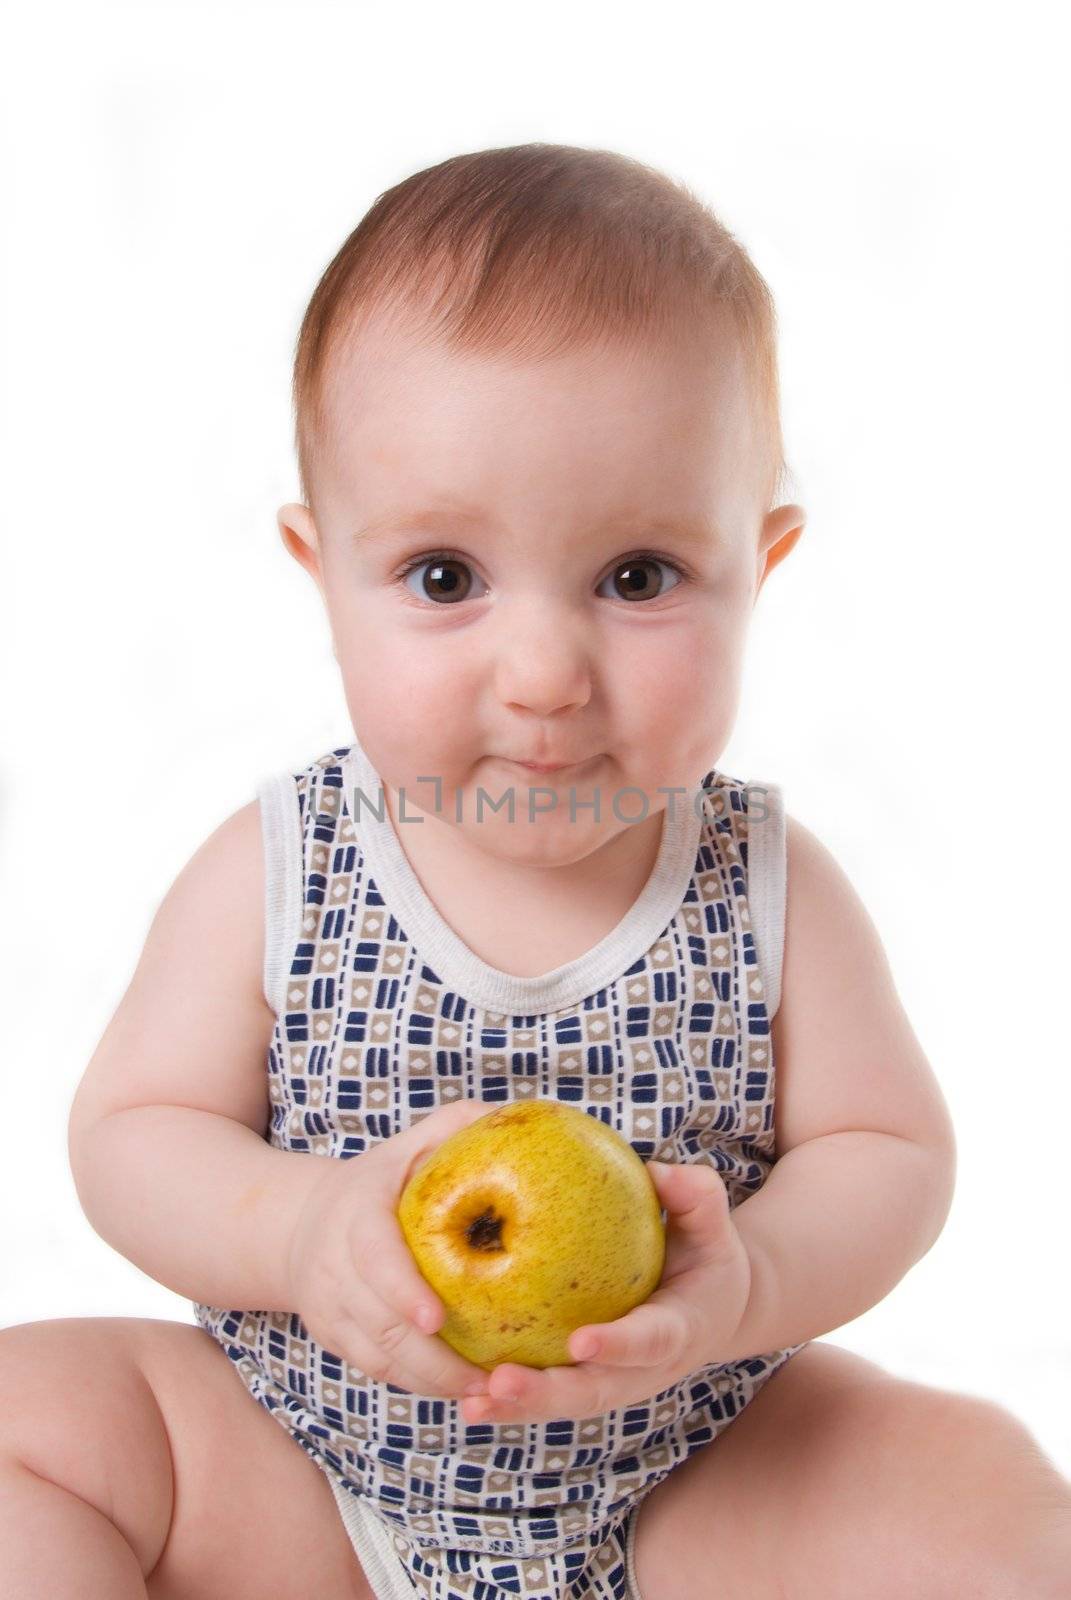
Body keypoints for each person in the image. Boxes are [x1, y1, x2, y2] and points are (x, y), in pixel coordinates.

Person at [3, 142, 1068, 1600]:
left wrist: (751, 1283)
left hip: (694, 1478)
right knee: (28, 1431)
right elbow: (132, 1131)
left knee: (982, 1489)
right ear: (323, 578)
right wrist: (302, 1227)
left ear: (762, 566)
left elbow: (892, 1155)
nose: (545, 675)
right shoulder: (287, 864)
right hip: (304, 1469)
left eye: (639, 577)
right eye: (445, 577)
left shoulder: (765, 884)